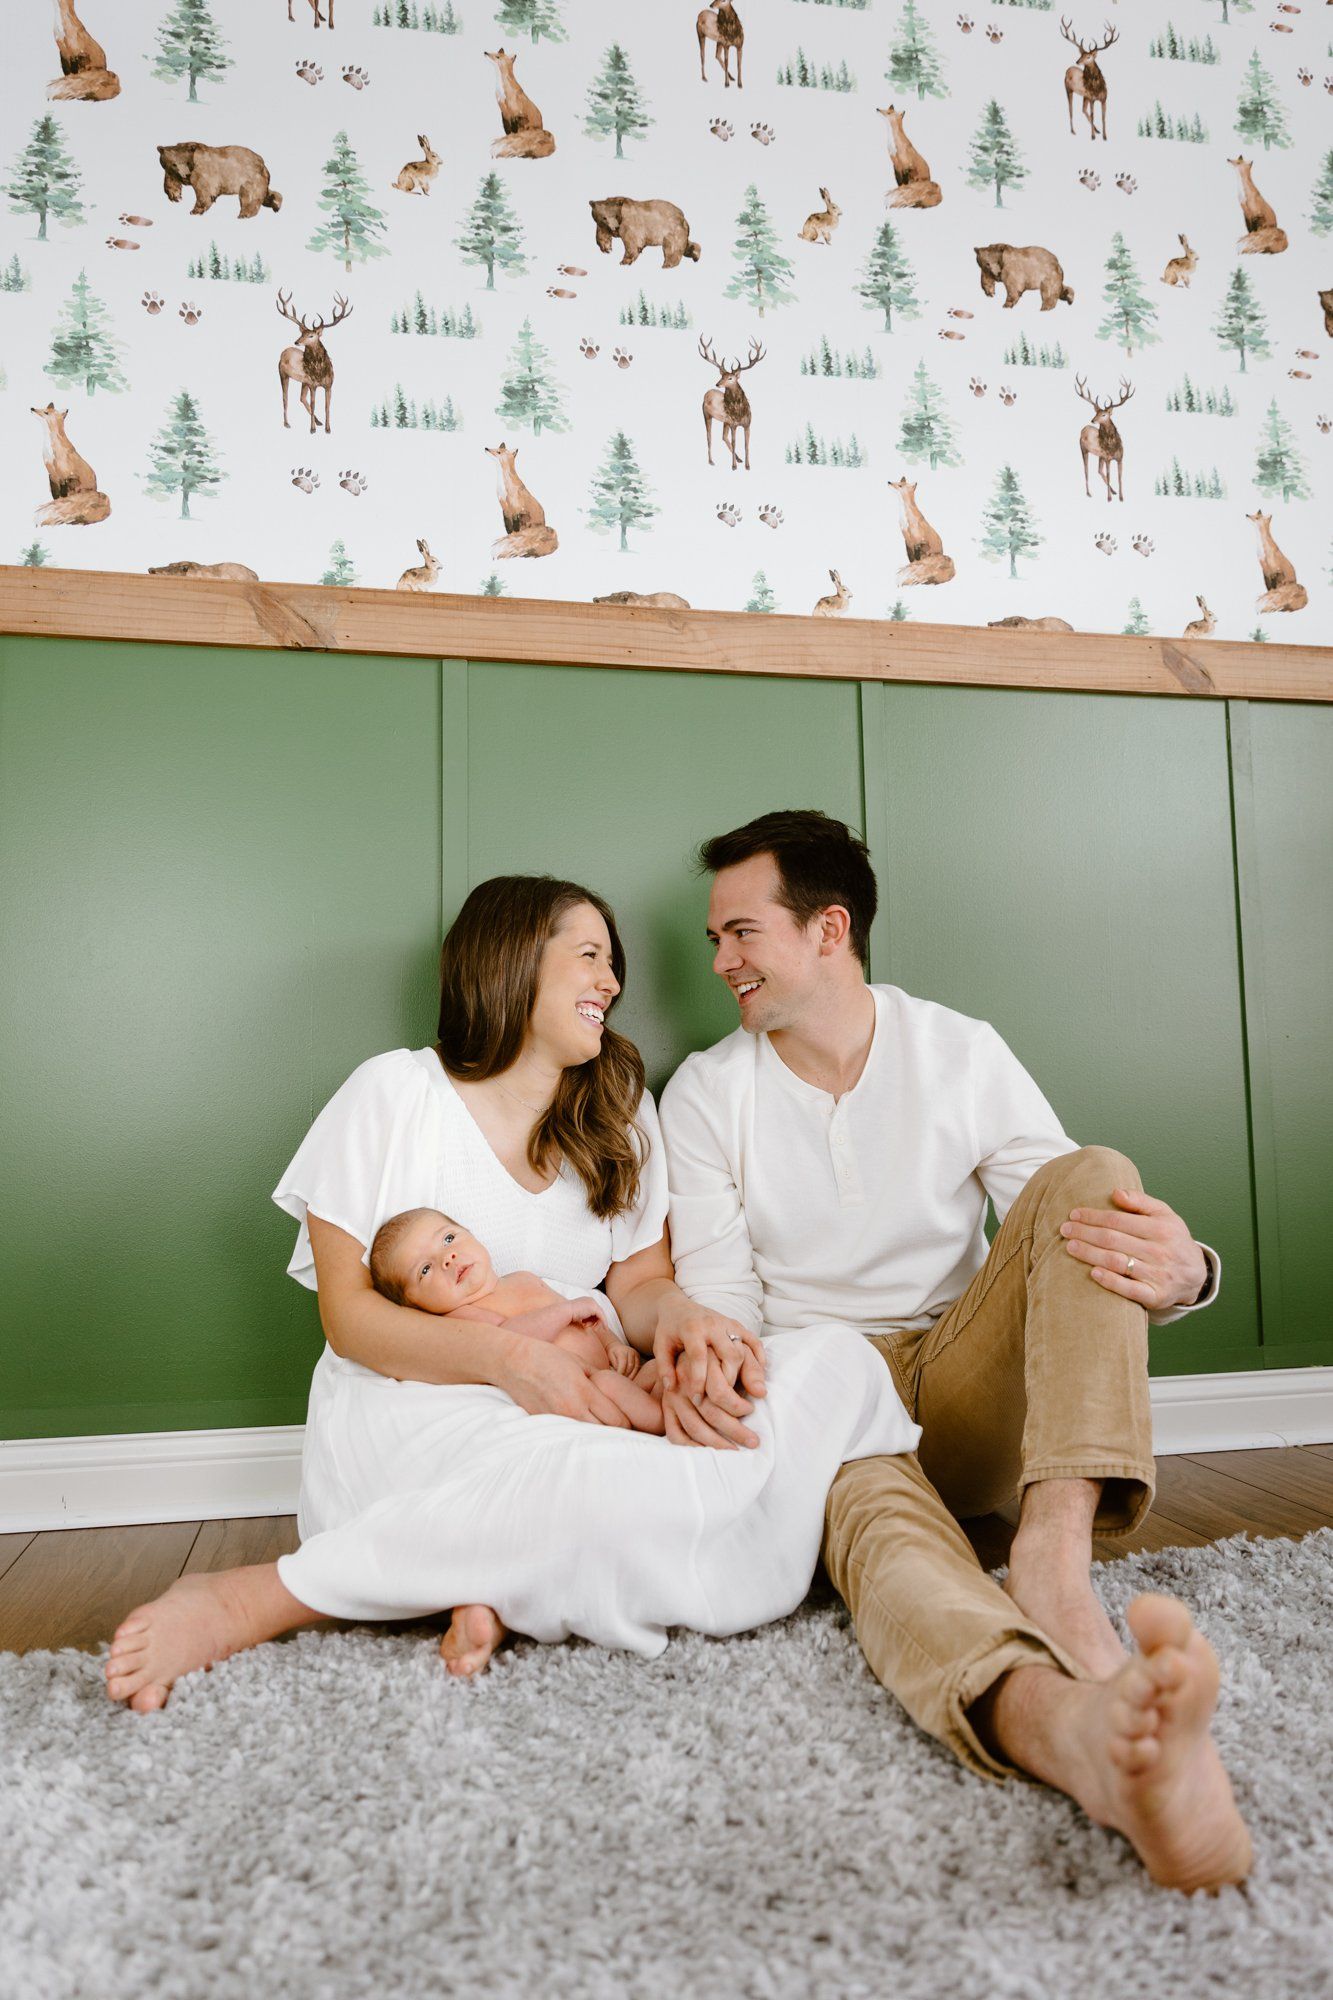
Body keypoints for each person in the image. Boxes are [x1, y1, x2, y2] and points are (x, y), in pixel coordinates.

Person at [103, 875, 917, 1709]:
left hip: (589, 1387)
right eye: (590, 956)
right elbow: (349, 1319)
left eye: (613, 963)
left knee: (836, 1365)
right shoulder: (392, 1094)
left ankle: (486, 1580)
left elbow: (639, 1282)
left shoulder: (620, 1110)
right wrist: (509, 1364)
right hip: (423, 1397)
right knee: (584, 1479)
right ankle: (257, 1597)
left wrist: (683, 1324)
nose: (611, 982)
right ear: (512, 962)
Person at [657, 808, 1253, 1895]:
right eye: (712, 939)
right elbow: (723, 1300)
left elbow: (1070, 1231)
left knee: (1088, 1171)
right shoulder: (703, 1093)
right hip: (822, 1391)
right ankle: (1074, 1737)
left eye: (739, 932)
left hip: (961, 1369)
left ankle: (1053, 1564)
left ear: (828, 928)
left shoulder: (957, 1049)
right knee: (893, 1560)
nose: (718, 961)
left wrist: (1192, 1269)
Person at [368, 1204, 667, 1434]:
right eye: (424, 1270)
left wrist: (613, 1343)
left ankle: (680, 1408)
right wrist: (565, 1311)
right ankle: (665, 1425)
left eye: (448, 1238)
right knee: (621, 1391)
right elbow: (509, 1337)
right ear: (415, 1306)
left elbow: (588, 1319)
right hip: (587, 1387)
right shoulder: (461, 1317)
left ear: (472, 1234)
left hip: (618, 1369)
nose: (447, 1258)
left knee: (662, 1369)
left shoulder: (523, 1279)